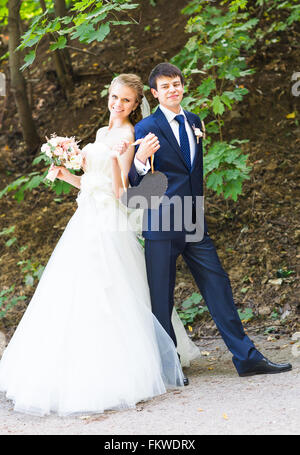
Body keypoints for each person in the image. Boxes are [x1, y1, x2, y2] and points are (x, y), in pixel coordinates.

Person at [0, 74, 199, 417]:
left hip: (109, 222)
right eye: (114, 97)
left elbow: (122, 191)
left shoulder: (127, 135)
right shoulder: (100, 134)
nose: (117, 104)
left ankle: (122, 370)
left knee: (110, 289)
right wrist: (66, 176)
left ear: (136, 106)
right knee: (72, 289)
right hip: (86, 218)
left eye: (126, 100)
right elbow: (91, 183)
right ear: (107, 96)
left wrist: (116, 159)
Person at [128, 63, 292, 381]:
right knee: (161, 297)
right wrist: (139, 159)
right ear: (154, 93)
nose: (173, 89)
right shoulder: (146, 127)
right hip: (161, 221)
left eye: (176, 84)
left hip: (193, 221)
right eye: (165, 86)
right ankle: (167, 368)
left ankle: (246, 358)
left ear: (182, 87)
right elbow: (135, 184)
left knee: (218, 285)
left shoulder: (194, 121)